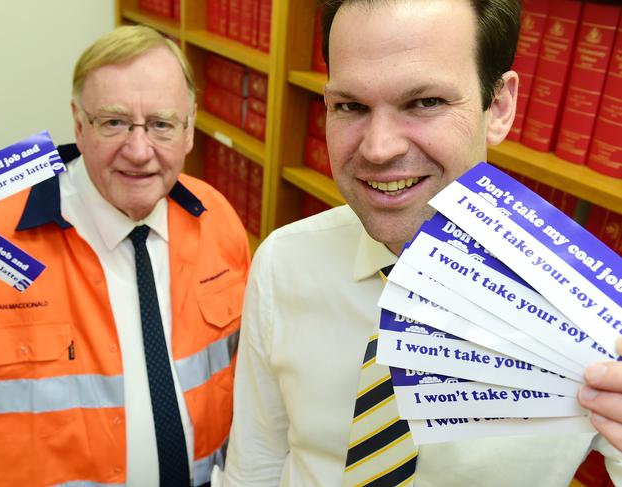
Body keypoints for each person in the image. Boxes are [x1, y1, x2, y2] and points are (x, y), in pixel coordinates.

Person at [223, 0, 622, 485]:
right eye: (350, 106)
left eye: (424, 102)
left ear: (497, 107)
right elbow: (257, 464)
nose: (378, 148)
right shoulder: (283, 262)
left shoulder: (598, 312)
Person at [0, 25, 250, 487]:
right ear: (79, 125)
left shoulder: (217, 218)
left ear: (189, 129)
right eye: (114, 122)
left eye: (161, 124)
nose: (138, 152)